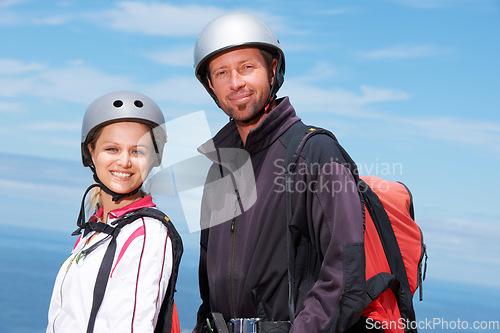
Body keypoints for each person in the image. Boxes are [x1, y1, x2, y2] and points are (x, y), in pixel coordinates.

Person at [193, 13, 366, 333]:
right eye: (221, 72)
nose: (235, 83)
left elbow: (345, 284)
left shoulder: (315, 153)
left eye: (247, 67)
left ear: (273, 70)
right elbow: (209, 291)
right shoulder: (217, 169)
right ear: (210, 86)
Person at [47, 91, 183, 333]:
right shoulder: (94, 230)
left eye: (138, 151)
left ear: (154, 158)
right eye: (112, 149)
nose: (124, 162)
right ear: (91, 151)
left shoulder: (145, 233)